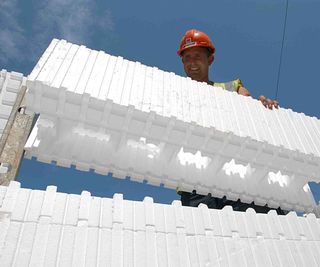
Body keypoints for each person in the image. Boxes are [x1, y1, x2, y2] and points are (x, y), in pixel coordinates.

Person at [177, 29, 286, 214]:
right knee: (206, 238)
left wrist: (264, 108)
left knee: (261, 228)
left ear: (209, 60)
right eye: (187, 58)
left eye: (197, 56)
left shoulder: (232, 88)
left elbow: (252, 115)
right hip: (194, 180)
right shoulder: (172, 92)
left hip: (236, 174)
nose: (192, 62)